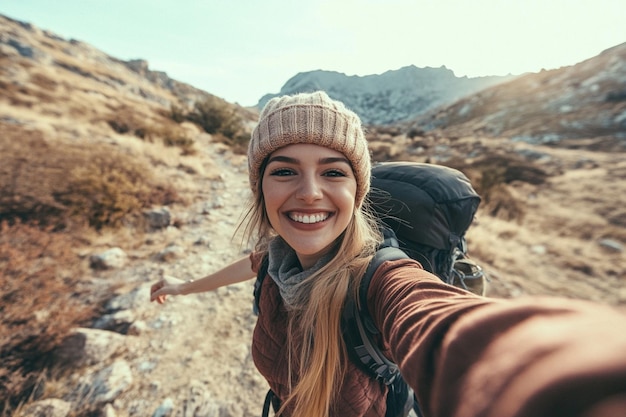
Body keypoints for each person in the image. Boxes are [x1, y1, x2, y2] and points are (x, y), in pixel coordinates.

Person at [150, 91, 626, 417]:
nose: (310, 192)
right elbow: (250, 264)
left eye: (333, 172)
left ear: (358, 191)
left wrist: (566, 380)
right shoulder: (279, 256)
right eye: (284, 171)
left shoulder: (381, 279)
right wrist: (181, 287)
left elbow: (447, 324)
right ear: (260, 189)